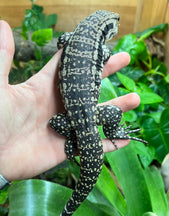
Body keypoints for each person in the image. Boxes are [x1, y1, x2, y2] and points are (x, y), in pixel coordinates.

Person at [0, 20, 140, 183]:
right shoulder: (99, 47)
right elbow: (106, 56)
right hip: (88, 116)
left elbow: (61, 42)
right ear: (107, 30)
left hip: (74, 118)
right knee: (115, 112)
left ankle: (75, 136)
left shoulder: (70, 37)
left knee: (54, 123)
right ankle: (111, 132)